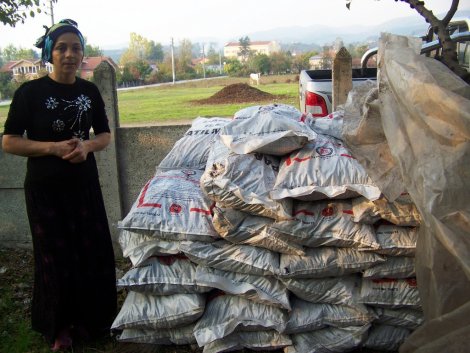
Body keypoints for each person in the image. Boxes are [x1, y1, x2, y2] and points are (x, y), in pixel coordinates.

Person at [2, 19, 117, 351]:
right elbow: (9, 142)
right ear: (49, 53)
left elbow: (104, 136)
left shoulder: (89, 91)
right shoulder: (29, 93)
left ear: (83, 54)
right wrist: (51, 148)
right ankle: (58, 327)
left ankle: (93, 320)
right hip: (45, 190)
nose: (70, 54)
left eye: (76, 48)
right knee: (55, 256)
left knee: (90, 252)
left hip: (84, 187)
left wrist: (86, 147)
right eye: (62, 47)